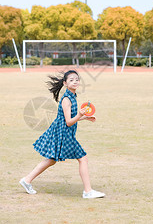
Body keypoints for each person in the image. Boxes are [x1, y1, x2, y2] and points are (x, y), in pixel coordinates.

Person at [19, 70, 105, 199]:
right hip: (64, 134)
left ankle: (26, 180)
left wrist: (84, 118)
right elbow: (69, 122)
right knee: (83, 158)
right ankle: (88, 191)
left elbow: (70, 118)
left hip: (63, 132)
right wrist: (80, 115)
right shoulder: (66, 100)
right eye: (71, 80)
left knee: (51, 160)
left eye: (76, 79)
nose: (75, 81)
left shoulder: (71, 96)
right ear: (65, 83)